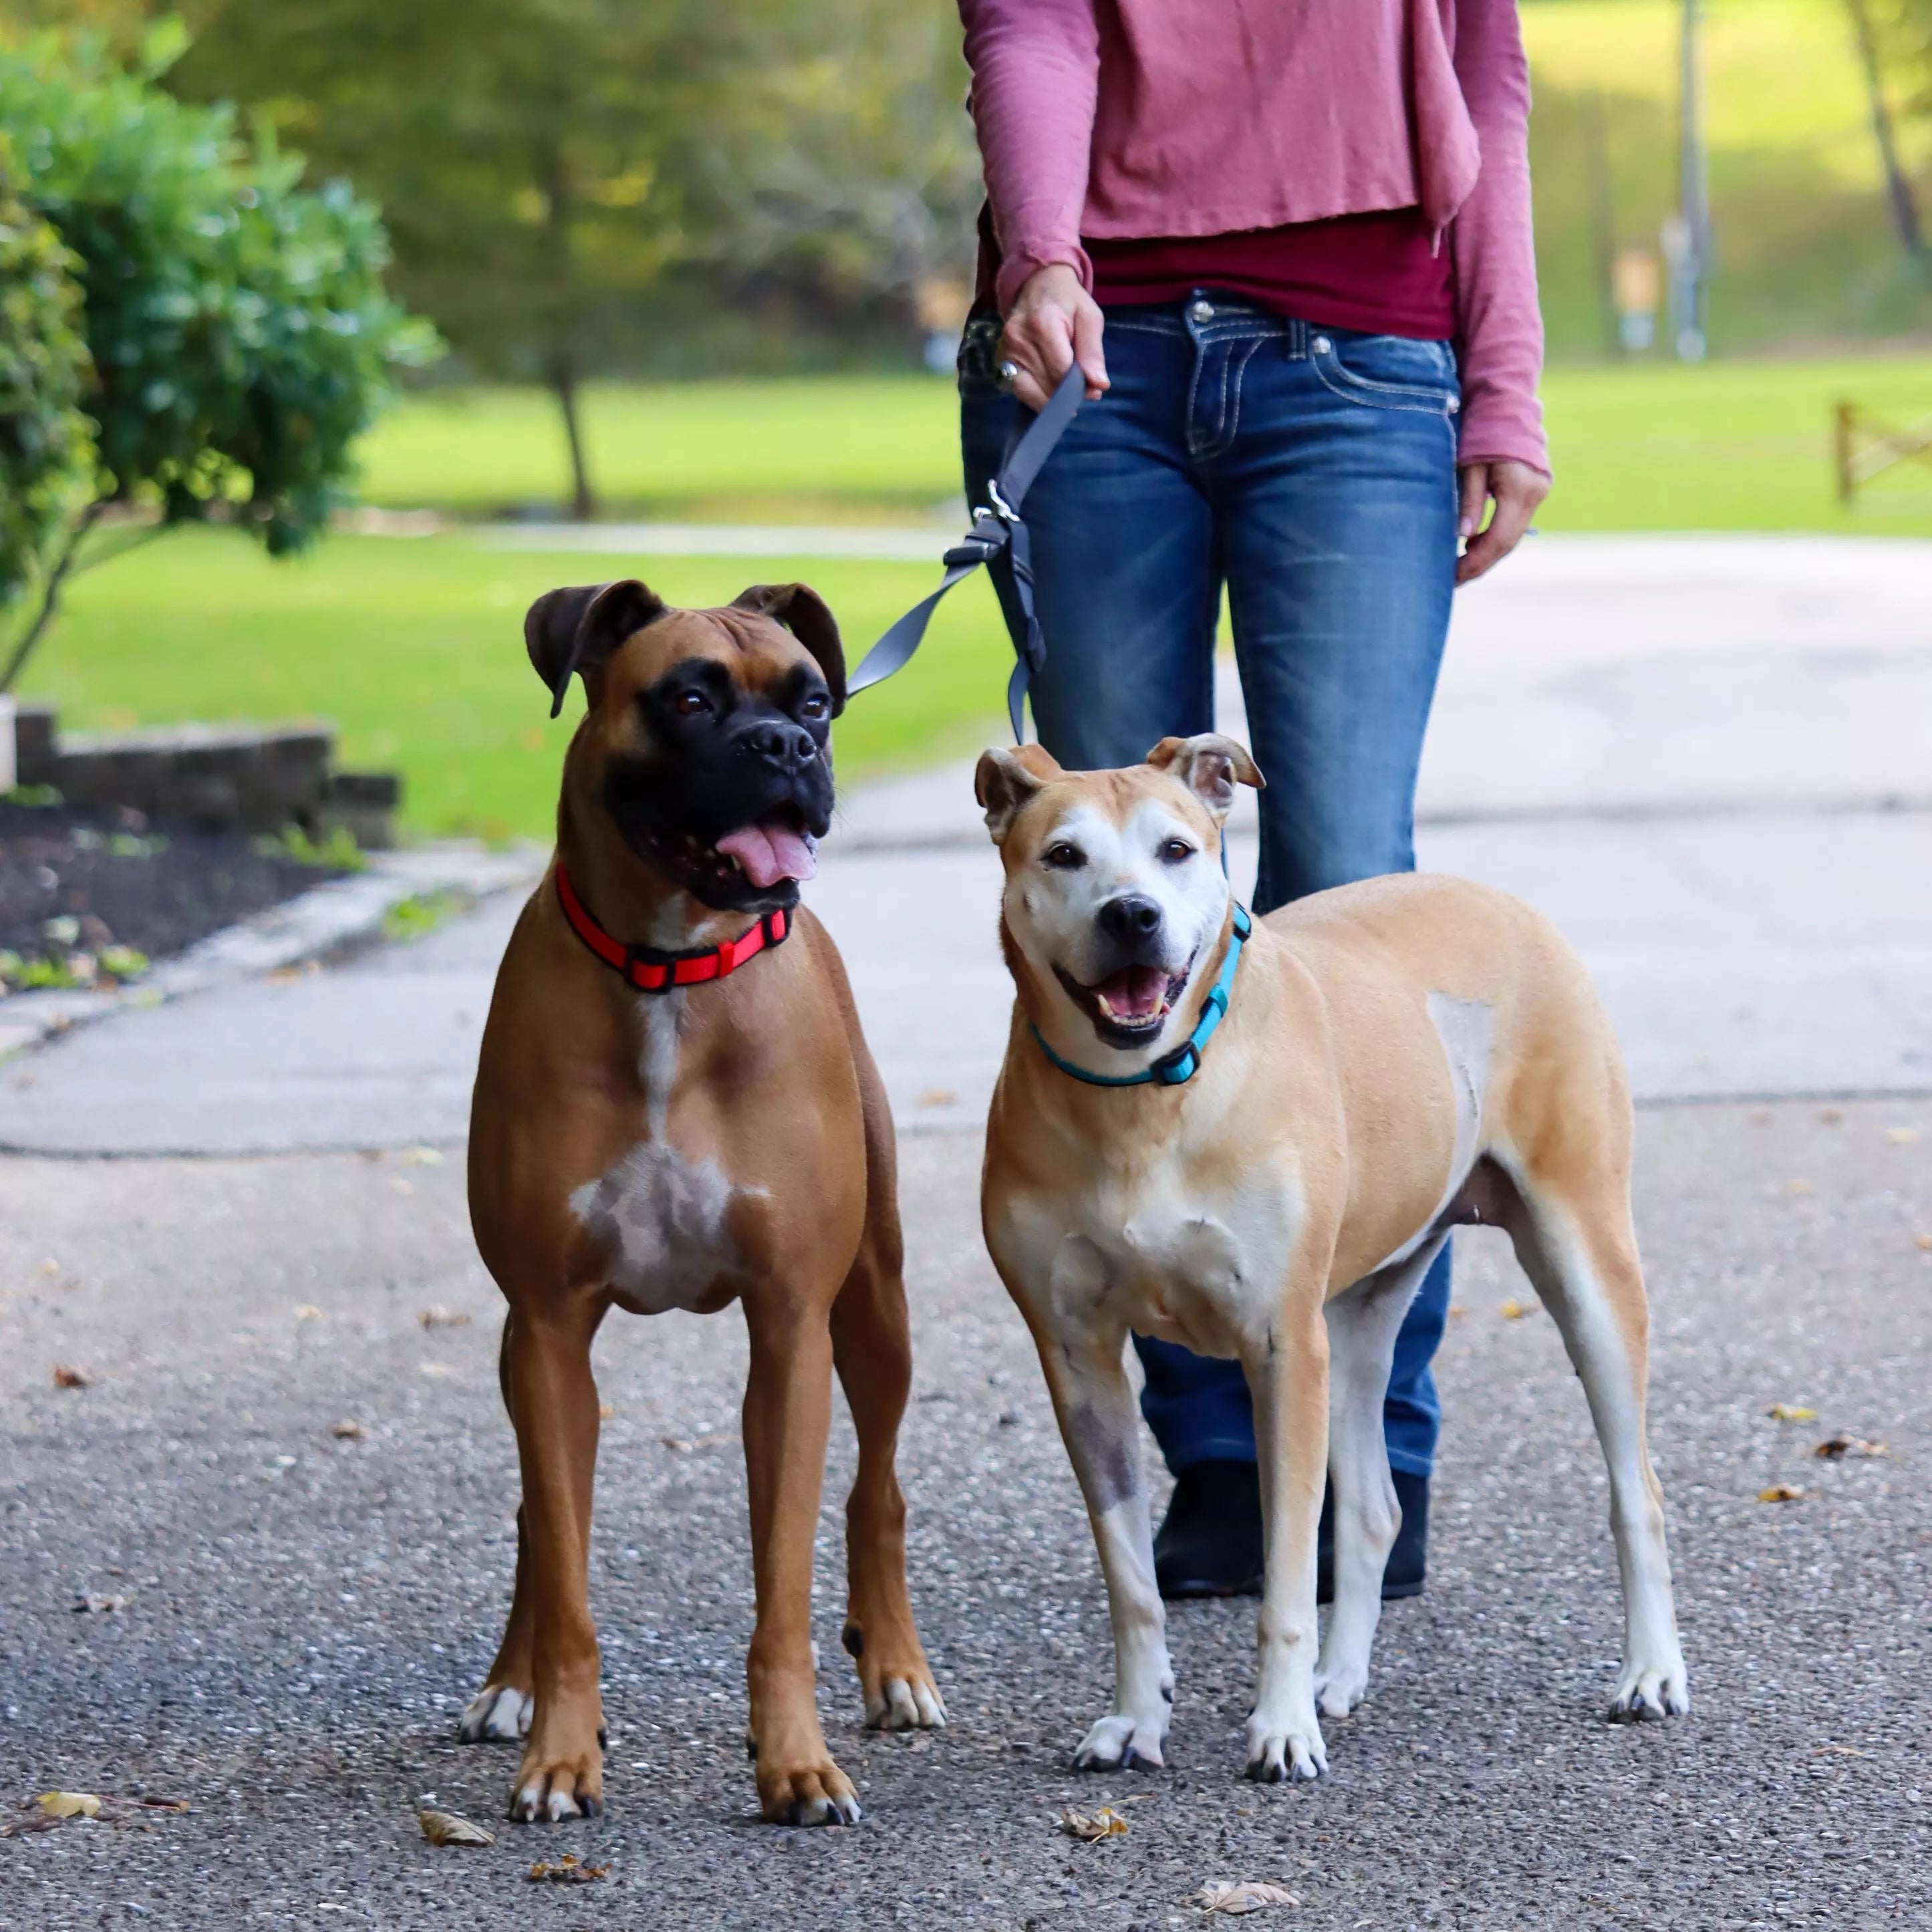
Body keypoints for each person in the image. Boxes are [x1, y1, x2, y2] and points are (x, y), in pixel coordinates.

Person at [955, 0, 1551, 1600]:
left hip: (1365, 360)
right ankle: (1221, 1455)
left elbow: (1480, 70)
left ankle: (1373, 1442)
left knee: (1349, 882)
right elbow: (1031, 27)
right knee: (1112, 898)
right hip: (1098, 362)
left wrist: (1504, 382)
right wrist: (1042, 260)